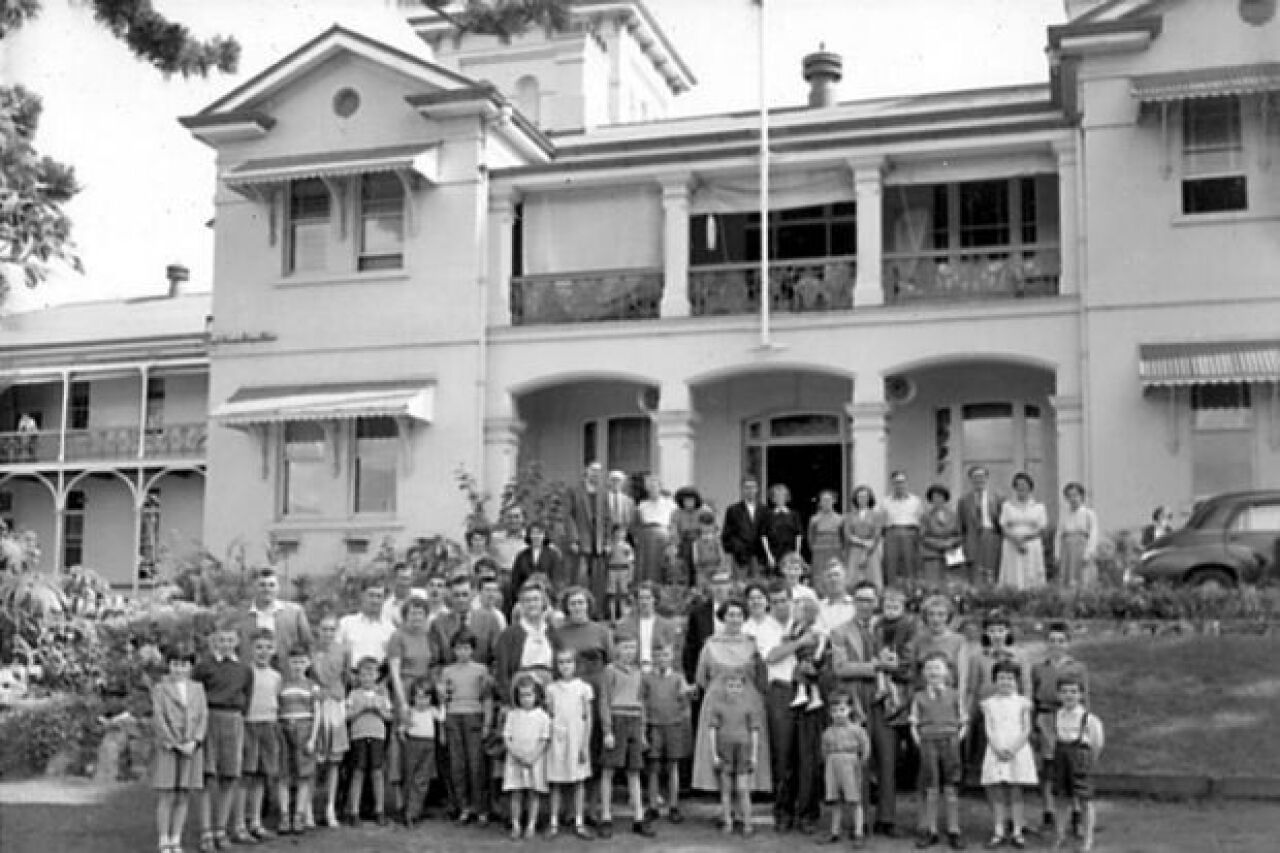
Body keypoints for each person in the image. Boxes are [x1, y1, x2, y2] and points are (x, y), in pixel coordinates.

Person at [830, 581, 901, 837]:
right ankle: (860, 820)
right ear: (853, 602)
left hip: (884, 698)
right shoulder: (839, 632)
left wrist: (887, 667)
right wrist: (874, 666)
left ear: (876, 602)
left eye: (870, 600)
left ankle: (887, 818)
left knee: (887, 757)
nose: (865, 605)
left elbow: (897, 663)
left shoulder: (887, 629)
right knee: (859, 758)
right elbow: (840, 668)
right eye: (860, 599)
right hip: (856, 695)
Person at [691, 598, 771, 797]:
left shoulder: (752, 644)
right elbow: (701, 677)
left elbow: (760, 674)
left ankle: (748, 792)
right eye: (730, 615)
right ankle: (719, 794)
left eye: (739, 615)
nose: (734, 619)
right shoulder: (710, 645)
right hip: (717, 698)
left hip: (747, 699)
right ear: (723, 618)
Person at [760, 582, 823, 833]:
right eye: (774, 602)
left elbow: (818, 648)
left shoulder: (805, 621)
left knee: (808, 756)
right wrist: (799, 643)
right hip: (781, 691)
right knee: (783, 755)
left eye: (784, 600)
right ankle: (783, 811)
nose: (780, 605)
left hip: (807, 690)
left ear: (791, 600)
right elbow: (772, 656)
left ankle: (808, 813)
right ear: (769, 604)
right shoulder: (766, 627)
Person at [195, 621, 252, 853]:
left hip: (233, 719)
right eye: (220, 640)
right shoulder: (204, 667)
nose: (225, 645)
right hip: (210, 718)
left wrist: (238, 718)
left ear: (237, 642)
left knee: (230, 776)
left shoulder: (244, 669)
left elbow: (247, 697)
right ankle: (206, 832)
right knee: (208, 777)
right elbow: (196, 695)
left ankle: (221, 829)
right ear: (212, 642)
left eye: (230, 640)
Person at [1031, 622, 1089, 834]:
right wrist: (1033, 725)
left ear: (1068, 643)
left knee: (1071, 768)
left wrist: (1085, 727)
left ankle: (1076, 815)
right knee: (1048, 769)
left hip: (1070, 718)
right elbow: (1032, 697)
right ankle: (1048, 813)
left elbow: (1085, 699)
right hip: (1046, 718)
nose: (1056, 645)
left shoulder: (1077, 668)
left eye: (1061, 641)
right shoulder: (1038, 668)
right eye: (1052, 640)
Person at [910, 653, 968, 850]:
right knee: (931, 786)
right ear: (923, 673)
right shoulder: (919, 696)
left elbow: (963, 720)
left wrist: (956, 739)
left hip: (950, 741)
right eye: (929, 668)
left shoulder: (954, 694)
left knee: (951, 785)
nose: (933, 672)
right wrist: (919, 741)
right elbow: (914, 721)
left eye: (937, 668)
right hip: (928, 742)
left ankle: (954, 829)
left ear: (946, 672)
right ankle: (931, 829)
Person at [153, 643, 207, 853]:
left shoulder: (198, 689)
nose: (179, 669)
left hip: (192, 746)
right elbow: (159, 718)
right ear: (169, 666)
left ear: (190, 666)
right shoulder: (160, 689)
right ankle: (163, 838)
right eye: (175, 664)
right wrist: (175, 743)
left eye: (184, 664)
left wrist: (195, 740)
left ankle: (176, 838)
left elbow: (203, 716)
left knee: (184, 794)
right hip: (169, 747)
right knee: (167, 793)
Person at [599, 633, 653, 838]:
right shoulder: (610, 671)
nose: (629, 652)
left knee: (634, 770)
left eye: (633, 647)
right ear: (617, 649)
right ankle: (606, 816)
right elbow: (604, 701)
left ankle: (638, 817)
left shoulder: (639, 673)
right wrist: (607, 730)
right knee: (609, 770)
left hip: (635, 720)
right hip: (617, 718)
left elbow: (642, 703)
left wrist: (643, 732)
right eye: (625, 647)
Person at [980, 660, 1038, 850]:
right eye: (1001, 678)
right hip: (996, 748)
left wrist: (1014, 748)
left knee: (1015, 791)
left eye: (1010, 678)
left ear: (1017, 681)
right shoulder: (989, 704)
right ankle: (998, 830)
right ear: (995, 680)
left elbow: (1026, 728)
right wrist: (996, 747)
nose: (1005, 682)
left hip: (1017, 750)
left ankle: (1017, 831)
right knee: (997, 792)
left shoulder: (1023, 703)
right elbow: (988, 728)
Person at [441, 630, 495, 826]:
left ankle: (481, 808)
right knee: (457, 765)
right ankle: (463, 807)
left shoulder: (481, 670)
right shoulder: (447, 671)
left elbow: (487, 698)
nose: (462, 652)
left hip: (474, 715)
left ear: (472, 650)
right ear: (453, 650)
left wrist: (487, 723)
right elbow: (443, 700)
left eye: (466, 648)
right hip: (454, 716)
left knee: (476, 765)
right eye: (458, 648)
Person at [1050, 674, 1105, 853]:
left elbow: (1097, 744)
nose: (1069, 695)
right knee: (1061, 799)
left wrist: (1087, 761)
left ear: (1081, 695)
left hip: (1080, 760)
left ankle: (1087, 840)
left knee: (1085, 801)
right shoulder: (1057, 716)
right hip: (1061, 759)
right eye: (1064, 692)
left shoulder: (1089, 719)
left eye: (1073, 692)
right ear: (1058, 695)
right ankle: (1060, 836)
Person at [545, 649, 595, 839]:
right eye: (561, 663)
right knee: (556, 782)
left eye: (569, 662)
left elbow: (588, 718)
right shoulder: (551, 689)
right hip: (558, 738)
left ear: (575, 665)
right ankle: (553, 822)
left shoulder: (583, 688)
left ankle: (579, 821)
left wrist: (584, 745)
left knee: (578, 781)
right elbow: (550, 715)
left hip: (577, 737)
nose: (565, 666)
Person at [642, 643, 692, 825]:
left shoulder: (678, 679)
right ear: (653, 658)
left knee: (673, 767)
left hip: (674, 725)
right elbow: (642, 702)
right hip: (654, 725)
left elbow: (685, 705)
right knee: (653, 767)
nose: (662, 659)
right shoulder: (646, 678)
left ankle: (674, 805)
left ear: (671, 657)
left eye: (666, 655)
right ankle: (653, 806)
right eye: (658, 655)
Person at [706, 671, 761, 836]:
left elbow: (754, 731)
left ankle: (747, 823)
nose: (734, 689)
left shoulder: (749, 707)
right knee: (725, 789)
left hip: (743, 750)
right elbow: (712, 730)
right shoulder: (718, 706)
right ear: (725, 686)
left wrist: (754, 755)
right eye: (731, 685)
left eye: (738, 686)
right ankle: (727, 821)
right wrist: (714, 754)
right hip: (724, 750)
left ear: (743, 687)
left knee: (743, 788)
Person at [309, 610, 349, 828]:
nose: (328, 633)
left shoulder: (343, 650)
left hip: (335, 704)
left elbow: (345, 678)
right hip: (317, 705)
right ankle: (308, 810)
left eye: (332, 629)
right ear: (318, 630)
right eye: (324, 629)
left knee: (334, 761)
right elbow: (308, 676)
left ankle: (330, 807)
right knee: (315, 761)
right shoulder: (311, 650)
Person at [239, 629, 280, 841]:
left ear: (274, 650)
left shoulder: (276, 676)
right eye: (258, 647)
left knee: (262, 777)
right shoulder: (246, 672)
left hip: (269, 726)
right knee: (247, 775)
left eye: (267, 647)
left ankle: (256, 821)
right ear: (251, 650)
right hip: (249, 726)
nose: (263, 652)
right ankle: (240, 823)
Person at [494, 582, 561, 707]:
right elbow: (502, 671)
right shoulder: (509, 634)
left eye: (536, 599)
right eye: (527, 600)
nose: (532, 604)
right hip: (521, 688)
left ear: (543, 603)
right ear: (521, 605)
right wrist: (508, 698)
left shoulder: (553, 633)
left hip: (549, 687)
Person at [344, 656, 394, 826]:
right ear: (358, 676)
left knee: (377, 772)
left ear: (377, 675)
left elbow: (389, 716)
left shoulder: (382, 694)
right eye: (363, 675)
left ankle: (379, 810)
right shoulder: (354, 694)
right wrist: (361, 709)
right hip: (359, 735)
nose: (367, 678)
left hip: (378, 735)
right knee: (358, 772)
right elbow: (347, 716)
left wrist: (378, 710)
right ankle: (354, 811)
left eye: (371, 674)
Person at [276, 645, 319, 835]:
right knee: (284, 774)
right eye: (294, 662)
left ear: (308, 663)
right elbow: (277, 708)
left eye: (301, 661)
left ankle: (299, 815)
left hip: (305, 728)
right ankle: (285, 815)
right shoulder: (282, 684)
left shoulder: (312, 686)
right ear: (288, 663)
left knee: (304, 775)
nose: (297, 665)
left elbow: (317, 713)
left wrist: (313, 738)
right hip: (285, 728)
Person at [503, 674, 552, 840]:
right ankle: (516, 824)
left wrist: (533, 756)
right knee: (516, 792)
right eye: (522, 695)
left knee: (533, 793)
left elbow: (544, 740)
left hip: (534, 760)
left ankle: (531, 824)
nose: (526, 699)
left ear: (536, 695)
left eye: (529, 695)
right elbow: (507, 737)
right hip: (515, 759)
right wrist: (516, 753)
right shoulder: (513, 715)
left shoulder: (542, 717)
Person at [821, 690, 870, 848]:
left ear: (849, 710)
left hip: (851, 763)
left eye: (842, 710)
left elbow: (865, 747)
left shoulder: (857, 730)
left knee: (855, 800)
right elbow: (824, 750)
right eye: (834, 711)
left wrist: (861, 762)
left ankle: (858, 832)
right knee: (835, 800)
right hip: (833, 765)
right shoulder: (827, 732)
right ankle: (834, 831)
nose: (838, 714)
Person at [238, 566, 312, 669]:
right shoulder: (242, 614)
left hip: (286, 671)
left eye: (271, 585)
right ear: (255, 587)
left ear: (278, 588)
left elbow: (307, 643)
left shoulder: (295, 612)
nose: (267, 589)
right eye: (262, 585)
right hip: (251, 673)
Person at [430, 573, 502, 670]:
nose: (461, 599)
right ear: (449, 595)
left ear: (473, 594)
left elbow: (497, 657)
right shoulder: (438, 623)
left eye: (465, 594)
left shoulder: (490, 620)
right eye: (456, 595)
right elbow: (434, 662)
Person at [399, 676, 444, 828]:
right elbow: (402, 728)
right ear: (413, 697)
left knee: (422, 778)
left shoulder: (432, 711)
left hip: (428, 744)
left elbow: (442, 717)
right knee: (409, 776)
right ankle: (407, 810)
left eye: (426, 697)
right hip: (413, 743)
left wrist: (443, 701)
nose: (422, 701)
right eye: (418, 697)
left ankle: (414, 811)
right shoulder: (411, 711)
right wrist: (403, 730)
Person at [566, 463, 608, 600]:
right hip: (581, 542)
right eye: (593, 470)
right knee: (580, 578)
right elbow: (568, 516)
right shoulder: (574, 490)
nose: (596, 474)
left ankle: (596, 611)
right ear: (586, 471)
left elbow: (608, 518)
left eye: (598, 471)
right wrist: (573, 539)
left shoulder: (603, 492)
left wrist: (607, 542)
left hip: (599, 542)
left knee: (598, 581)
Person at [998, 473, 1047, 590]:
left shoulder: (1039, 507)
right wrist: (1016, 540)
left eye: (1024, 485)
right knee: (1013, 573)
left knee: (1032, 574)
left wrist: (1024, 538)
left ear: (1030, 487)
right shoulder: (1007, 506)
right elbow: (1003, 526)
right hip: (1012, 544)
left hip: (1032, 544)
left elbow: (1042, 528)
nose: (1021, 488)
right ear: (1014, 488)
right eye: (1018, 485)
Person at [617, 580, 678, 671]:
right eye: (641, 598)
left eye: (648, 598)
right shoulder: (626, 624)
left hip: (657, 673)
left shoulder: (667, 625)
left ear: (655, 599)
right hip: (633, 672)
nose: (644, 602)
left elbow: (671, 654)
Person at [336, 582, 395, 675]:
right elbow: (335, 653)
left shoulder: (390, 629)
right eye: (371, 595)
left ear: (384, 600)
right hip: (349, 677)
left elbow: (392, 662)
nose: (375, 600)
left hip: (379, 679)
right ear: (362, 596)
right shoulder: (346, 623)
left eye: (379, 596)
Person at [957, 466, 1003, 586]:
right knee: (975, 573)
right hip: (972, 539)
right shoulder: (964, 500)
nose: (979, 480)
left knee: (991, 571)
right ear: (970, 480)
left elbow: (1002, 521)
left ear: (987, 479)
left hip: (991, 536)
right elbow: (961, 525)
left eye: (981, 477)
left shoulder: (997, 498)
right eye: (975, 477)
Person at [882, 471, 924, 586]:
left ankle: (911, 593)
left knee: (910, 565)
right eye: (896, 482)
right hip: (892, 533)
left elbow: (921, 520)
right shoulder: (885, 502)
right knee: (891, 565)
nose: (899, 485)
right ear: (892, 484)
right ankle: (891, 592)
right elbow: (882, 522)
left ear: (906, 483)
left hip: (910, 533)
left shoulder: (915, 501)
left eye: (902, 482)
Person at [635, 474, 677, 585]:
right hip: (645, 538)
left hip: (663, 537)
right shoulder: (642, 505)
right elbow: (638, 524)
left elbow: (674, 525)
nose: (652, 489)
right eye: (650, 486)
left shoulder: (670, 504)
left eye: (655, 486)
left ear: (660, 487)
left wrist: (672, 543)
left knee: (662, 565)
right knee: (645, 568)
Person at [1055, 483, 1099, 588]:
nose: (1072, 499)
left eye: (1075, 495)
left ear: (1081, 496)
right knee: (1067, 581)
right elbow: (1058, 535)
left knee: (1083, 579)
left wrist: (1088, 552)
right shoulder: (1064, 515)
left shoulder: (1089, 514)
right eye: (1069, 496)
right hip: (1067, 551)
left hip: (1082, 549)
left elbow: (1093, 533)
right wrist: (1057, 554)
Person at [511, 520, 565, 606]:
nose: (536, 536)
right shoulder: (522, 555)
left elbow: (557, 578)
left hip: (548, 597)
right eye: (533, 533)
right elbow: (515, 579)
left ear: (544, 535)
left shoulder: (553, 554)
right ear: (529, 535)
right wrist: (519, 594)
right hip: (525, 597)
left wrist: (551, 593)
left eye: (539, 533)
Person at [921, 484, 963, 589]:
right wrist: (940, 544)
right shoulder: (926, 516)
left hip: (952, 554)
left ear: (945, 498)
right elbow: (923, 536)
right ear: (930, 499)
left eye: (940, 497)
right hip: (932, 554)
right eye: (935, 497)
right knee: (932, 585)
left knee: (951, 584)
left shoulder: (954, 515)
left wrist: (950, 543)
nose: (938, 500)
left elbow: (959, 534)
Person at [722, 476, 766, 578]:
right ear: (742, 489)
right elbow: (727, 534)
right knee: (740, 586)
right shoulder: (733, 510)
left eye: (753, 487)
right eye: (747, 487)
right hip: (740, 556)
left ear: (757, 489)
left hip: (759, 556)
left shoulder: (765, 510)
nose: (750, 490)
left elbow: (767, 532)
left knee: (758, 585)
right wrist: (736, 547)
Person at [844, 485, 885, 589]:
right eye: (859, 497)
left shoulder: (876, 515)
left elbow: (877, 534)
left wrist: (869, 546)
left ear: (869, 498)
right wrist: (862, 542)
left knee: (873, 577)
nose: (862, 499)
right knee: (853, 577)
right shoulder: (849, 516)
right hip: (855, 550)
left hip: (871, 551)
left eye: (865, 497)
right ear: (856, 499)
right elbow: (848, 534)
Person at [760, 483, 803, 575]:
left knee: (789, 577)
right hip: (773, 553)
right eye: (777, 496)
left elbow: (798, 535)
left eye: (782, 495)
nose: (780, 498)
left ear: (786, 497)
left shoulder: (794, 514)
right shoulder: (767, 515)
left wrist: (797, 553)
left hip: (789, 552)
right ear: (773, 498)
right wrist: (769, 555)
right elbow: (763, 536)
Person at [807, 489, 845, 579]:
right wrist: (815, 548)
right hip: (819, 551)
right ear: (820, 502)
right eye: (823, 500)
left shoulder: (840, 519)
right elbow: (810, 537)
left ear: (834, 501)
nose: (826, 502)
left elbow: (844, 537)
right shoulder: (814, 519)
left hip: (835, 550)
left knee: (834, 572)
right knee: (819, 575)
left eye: (828, 500)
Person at [671, 486, 705, 585]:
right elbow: (674, 531)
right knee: (684, 570)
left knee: (699, 570)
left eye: (691, 500)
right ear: (681, 501)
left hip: (700, 545)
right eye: (686, 500)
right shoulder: (676, 513)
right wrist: (676, 544)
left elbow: (709, 529)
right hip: (684, 545)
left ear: (696, 500)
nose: (689, 502)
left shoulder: (703, 512)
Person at [382, 562, 428, 627]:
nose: (405, 583)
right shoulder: (387, 606)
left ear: (412, 580)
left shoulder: (423, 595)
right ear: (394, 580)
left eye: (408, 579)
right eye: (402, 578)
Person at [605, 523, 635, 620]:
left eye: (622, 532)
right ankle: (612, 617)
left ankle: (623, 616)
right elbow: (606, 557)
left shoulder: (627, 547)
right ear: (613, 533)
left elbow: (631, 561)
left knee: (623, 594)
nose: (620, 534)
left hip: (624, 570)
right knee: (611, 594)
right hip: (612, 570)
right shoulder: (610, 545)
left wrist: (630, 574)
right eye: (618, 532)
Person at [691, 508, 727, 587]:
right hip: (702, 572)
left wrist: (719, 570)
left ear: (713, 525)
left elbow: (722, 557)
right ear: (700, 525)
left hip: (717, 571)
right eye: (704, 524)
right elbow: (695, 561)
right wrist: (700, 571)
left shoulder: (717, 541)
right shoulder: (696, 542)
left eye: (709, 524)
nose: (706, 527)